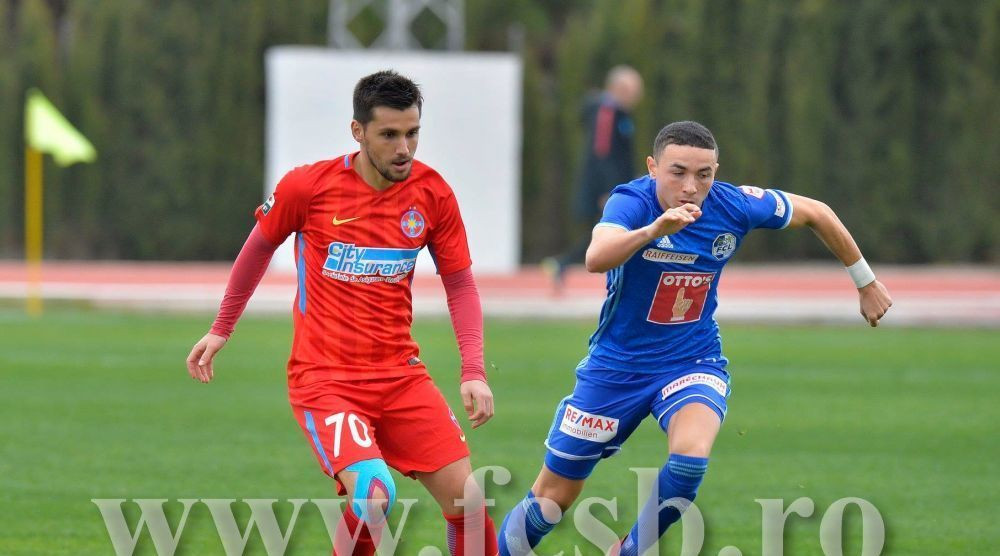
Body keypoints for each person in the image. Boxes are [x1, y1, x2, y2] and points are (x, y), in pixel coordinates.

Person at [499, 120, 892, 555]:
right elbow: (595, 257)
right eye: (678, 172)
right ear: (653, 167)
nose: (691, 186)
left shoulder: (734, 205)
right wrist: (653, 231)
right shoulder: (631, 201)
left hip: (692, 361)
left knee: (689, 461)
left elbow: (817, 212)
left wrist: (865, 281)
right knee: (551, 499)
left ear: (716, 172)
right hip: (616, 369)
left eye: (703, 175)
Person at [185, 70, 499, 555]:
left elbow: (459, 283)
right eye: (389, 135)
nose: (404, 149)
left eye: (413, 133)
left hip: (400, 375)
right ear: (358, 131)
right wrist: (222, 328)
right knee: (374, 494)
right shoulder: (308, 187)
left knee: (469, 505)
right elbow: (258, 248)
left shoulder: (433, 193)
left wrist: (473, 370)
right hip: (326, 378)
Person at [543, 65, 643, 290]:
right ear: (618, 88)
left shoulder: (620, 114)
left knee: (607, 232)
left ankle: (561, 264)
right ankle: (563, 264)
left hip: (616, 186)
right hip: (606, 188)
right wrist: (609, 190)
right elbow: (602, 153)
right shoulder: (606, 112)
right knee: (608, 232)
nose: (637, 97)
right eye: (633, 91)